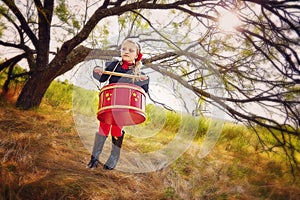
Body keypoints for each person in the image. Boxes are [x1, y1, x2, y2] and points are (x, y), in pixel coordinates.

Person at [87, 38, 149, 170]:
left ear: (137, 55)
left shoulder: (138, 73)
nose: (126, 51)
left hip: (123, 107)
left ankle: (113, 159)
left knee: (116, 129)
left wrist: (143, 81)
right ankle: (94, 159)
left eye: (130, 50)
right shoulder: (113, 65)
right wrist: (97, 70)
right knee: (103, 127)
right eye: (124, 49)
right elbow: (102, 78)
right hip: (110, 103)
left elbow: (142, 92)